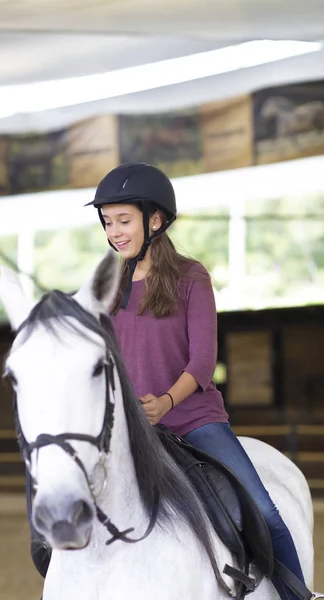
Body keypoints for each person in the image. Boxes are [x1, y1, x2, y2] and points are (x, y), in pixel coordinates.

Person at [86, 162, 322, 600]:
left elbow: (203, 361)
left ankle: (297, 596)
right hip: (133, 425)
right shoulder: (107, 286)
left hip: (194, 418)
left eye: (123, 220)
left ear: (154, 220)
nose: (114, 231)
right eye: (107, 222)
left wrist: (166, 403)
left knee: (265, 511)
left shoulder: (191, 278)